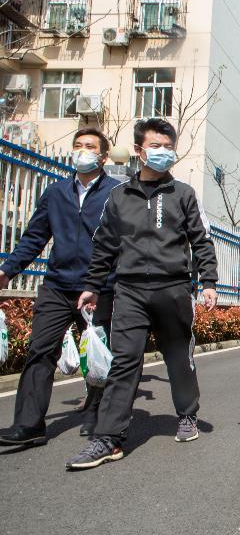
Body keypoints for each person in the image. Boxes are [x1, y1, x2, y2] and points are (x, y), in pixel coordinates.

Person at [65, 118, 219, 470]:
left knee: (178, 358)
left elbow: (201, 241)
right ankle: (109, 438)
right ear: (139, 151)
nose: (163, 152)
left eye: (168, 146)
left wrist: (208, 281)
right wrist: (92, 286)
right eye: (155, 146)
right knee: (124, 362)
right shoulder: (119, 197)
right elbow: (104, 245)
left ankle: (187, 413)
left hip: (173, 289)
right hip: (130, 290)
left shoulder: (183, 194)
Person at [0, 129, 120, 448]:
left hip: (99, 288)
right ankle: (29, 425)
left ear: (103, 157)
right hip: (57, 285)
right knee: (40, 351)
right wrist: (7, 271)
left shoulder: (116, 193)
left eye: (90, 146)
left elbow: (125, 243)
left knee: (98, 354)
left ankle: (96, 413)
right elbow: (34, 237)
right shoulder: (56, 193)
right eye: (78, 145)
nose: (82, 151)